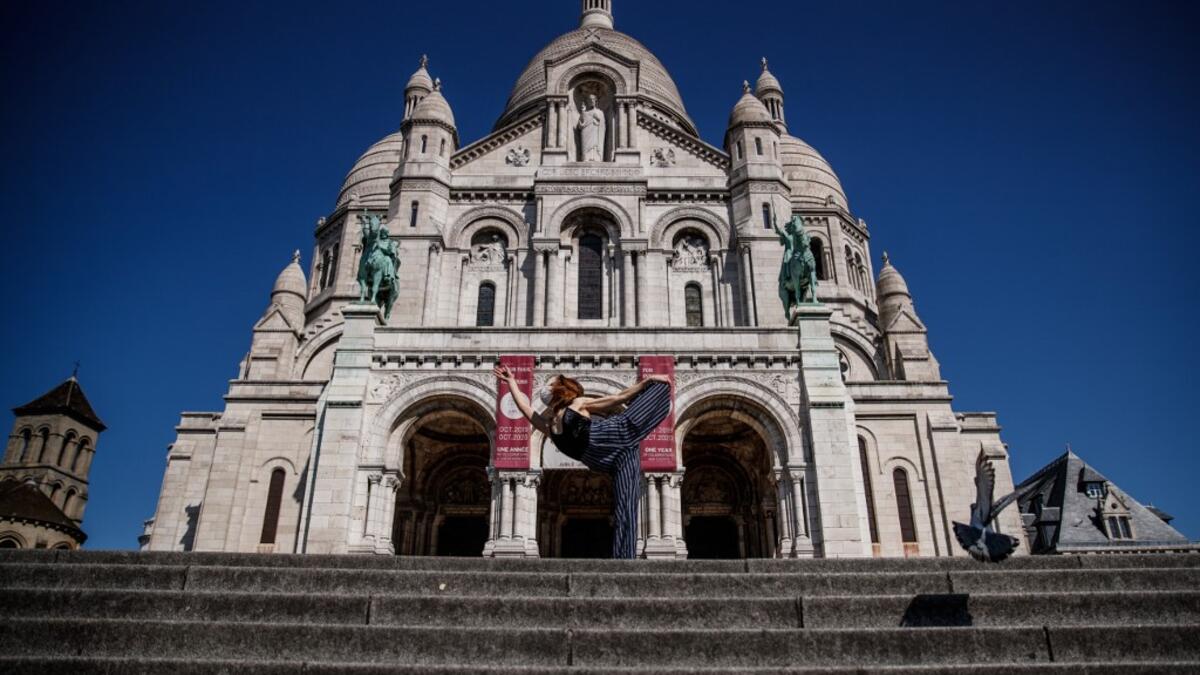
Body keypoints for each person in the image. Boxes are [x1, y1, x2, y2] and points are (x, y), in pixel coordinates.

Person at [492, 366, 672, 559]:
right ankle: (624, 560)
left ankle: (624, 559)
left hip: (606, 456)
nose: (546, 387)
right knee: (652, 397)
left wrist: (511, 383)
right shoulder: (564, 414)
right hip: (614, 441)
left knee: (626, 506)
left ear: (559, 390)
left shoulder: (554, 422)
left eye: (550, 384)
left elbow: (526, 408)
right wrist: (511, 382)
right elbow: (616, 398)